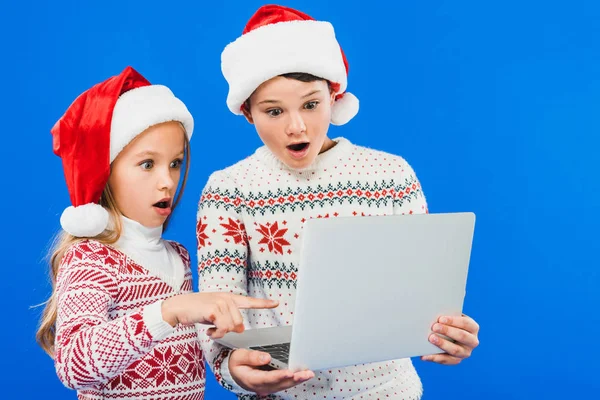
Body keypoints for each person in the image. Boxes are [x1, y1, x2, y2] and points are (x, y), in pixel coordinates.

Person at [197, 5, 481, 399]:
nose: (296, 126)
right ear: (247, 112)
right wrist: (232, 370)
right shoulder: (230, 189)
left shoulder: (392, 176)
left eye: (311, 104)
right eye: (274, 111)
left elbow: (421, 297)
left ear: (334, 95)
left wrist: (447, 334)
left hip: (387, 391)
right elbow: (215, 312)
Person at [36, 66, 278, 400]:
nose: (167, 180)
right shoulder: (92, 258)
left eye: (175, 163)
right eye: (148, 164)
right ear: (105, 172)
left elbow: (181, 357)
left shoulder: (177, 255)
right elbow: (74, 362)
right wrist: (170, 311)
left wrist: (240, 351)